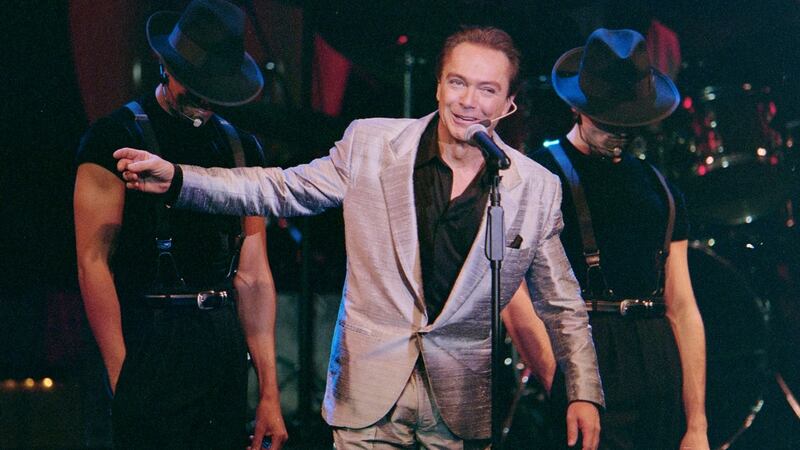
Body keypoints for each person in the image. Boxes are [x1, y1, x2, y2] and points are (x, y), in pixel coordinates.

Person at [114, 26, 605, 449]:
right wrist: (180, 179)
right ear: (437, 85)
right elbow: (282, 189)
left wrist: (582, 392)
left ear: (508, 103)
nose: (469, 101)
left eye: (487, 89)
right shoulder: (373, 144)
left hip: (460, 405)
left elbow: (562, 302)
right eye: (457, 82)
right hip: (368, 393)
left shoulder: (533, 187)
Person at [74, 1, 288, 448]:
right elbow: (93, 262)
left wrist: (268, 391)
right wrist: (122, 375)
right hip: (149, 335)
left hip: (219, 342)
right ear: (165, 66)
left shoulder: (241, 148)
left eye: (215, 92)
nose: (204, 102)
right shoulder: (115, 136)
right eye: (194, 88)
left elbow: (252, 274)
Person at [527, 29, 709, 449]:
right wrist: (565, 385)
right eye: (610, 123)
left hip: (658, 363)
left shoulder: (660, 189)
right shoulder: (540, 176)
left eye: (632, 125)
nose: (621, 135)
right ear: (577, 107)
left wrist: (696, 423)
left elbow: (683, 306)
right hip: (588, 356)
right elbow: (513, 295)